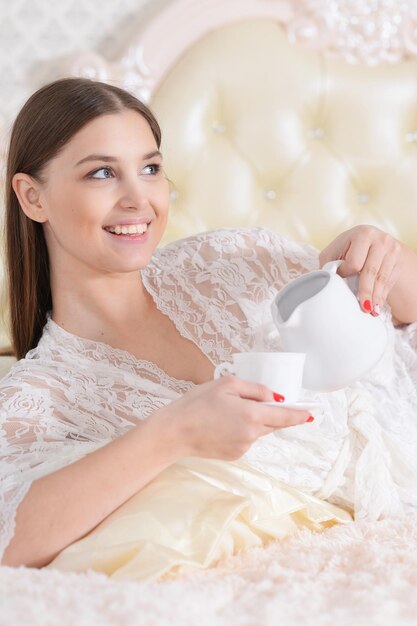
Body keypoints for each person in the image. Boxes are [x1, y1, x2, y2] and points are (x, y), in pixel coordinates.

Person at [1, 77, 417, 582]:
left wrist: (385, 256)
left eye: (150, 169)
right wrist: (171, 433)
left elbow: (401, 312)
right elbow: (11, 537)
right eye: (103, 173)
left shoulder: (233, 257)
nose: (139, 199)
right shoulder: (45, 395)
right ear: (32, 197)